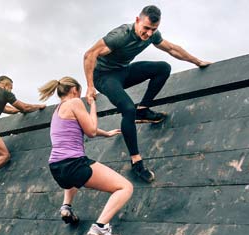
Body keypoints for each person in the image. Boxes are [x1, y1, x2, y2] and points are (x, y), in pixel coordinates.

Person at [83, 5, 211, 183]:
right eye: (146, 28)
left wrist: (197, 61)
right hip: (104, 77)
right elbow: (90, 55)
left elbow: (172, 49)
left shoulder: (152, 35)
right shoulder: (120, 35)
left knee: (163, 68)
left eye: (153, 29)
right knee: (128, 108)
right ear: (137, 20)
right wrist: (90, 86)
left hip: (123, 71)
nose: (149, 34)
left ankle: (143, 109)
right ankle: (136, 161)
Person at [38, 76, 133, 235]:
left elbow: (82, 127)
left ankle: (66, 206)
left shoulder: (58, 110)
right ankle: (100, 227)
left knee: (72, 181)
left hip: (56, 167)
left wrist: (107, 133)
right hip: (74, 163)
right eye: (80, 93)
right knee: (125, 187)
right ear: (75, 90)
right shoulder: (75, 103)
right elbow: (90, 130)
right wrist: (92, 104)